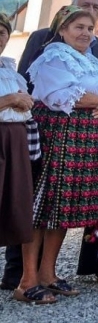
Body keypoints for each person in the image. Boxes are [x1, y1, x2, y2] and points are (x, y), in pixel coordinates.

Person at [17, 6, 98, 303]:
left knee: (61, 209)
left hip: (83, 139)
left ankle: (48, 273)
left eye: (90, 28)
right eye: (78, 27)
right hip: (58, 134)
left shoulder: (93, 61)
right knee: (43, 205)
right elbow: (62, 96)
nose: (85, 33)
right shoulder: (53, 57)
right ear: (62, 29)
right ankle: (26, 281)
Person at [0, 14, 34, 280]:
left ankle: (16, 277)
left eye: (2, 32)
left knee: (11, 206)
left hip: (14, 139)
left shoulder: (9, 68)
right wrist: (10, 99)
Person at [18, 0, 98, 80]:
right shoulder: (40, 37)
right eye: (85, 5)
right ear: (73, 7)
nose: (90, 10)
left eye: (96, 7)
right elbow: (23, 77)